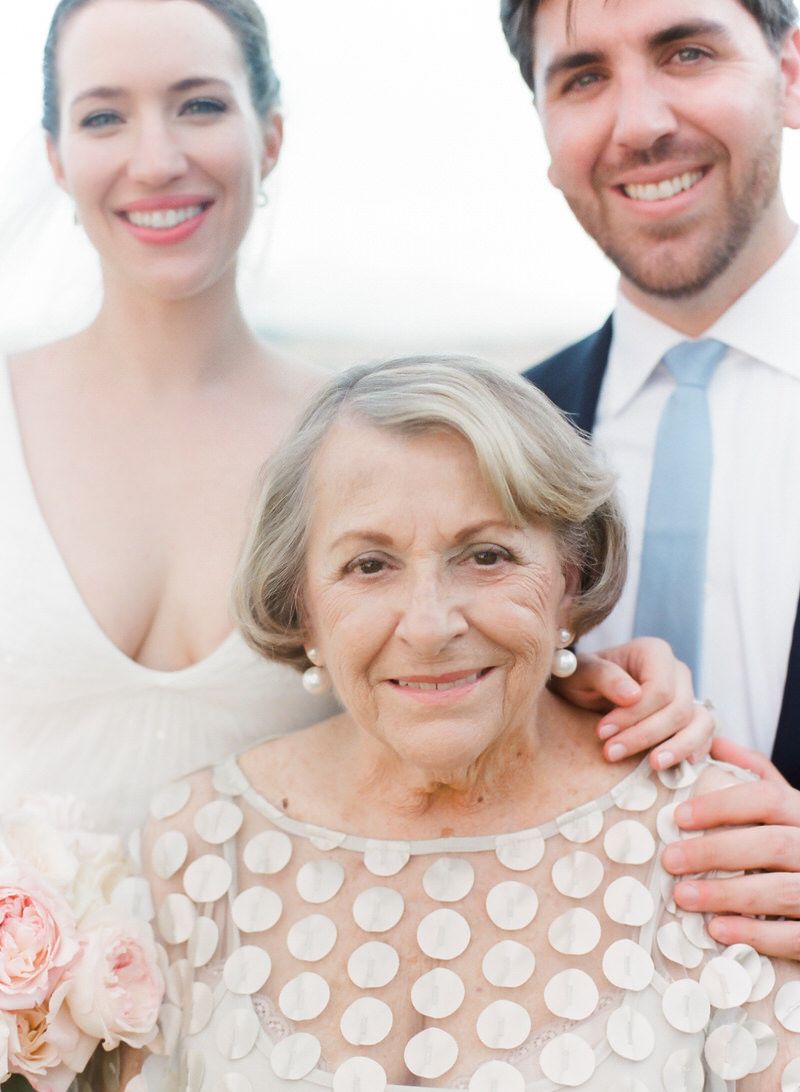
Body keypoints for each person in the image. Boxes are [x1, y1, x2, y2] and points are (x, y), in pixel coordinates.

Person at [0, 0, 710, 833]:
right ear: (56, 154)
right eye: (104, 116)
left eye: (200, 104)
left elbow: (461, 650)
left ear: (269, 135)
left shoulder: (370, 448)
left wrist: (595, 681)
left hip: (285, 950)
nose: (156, 159)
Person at [123, 356, 800, 1090]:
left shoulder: (722, 843)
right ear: (302, 606)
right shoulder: (193, 852)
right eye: (370, 565)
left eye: (486, 555)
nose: (429, 624)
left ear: (569, 581)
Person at [500, 0, 800, 956]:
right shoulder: (495, 456)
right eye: (584, 77)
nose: (639, 124)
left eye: (687, 51)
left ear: (791, 72)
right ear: (545, 132)